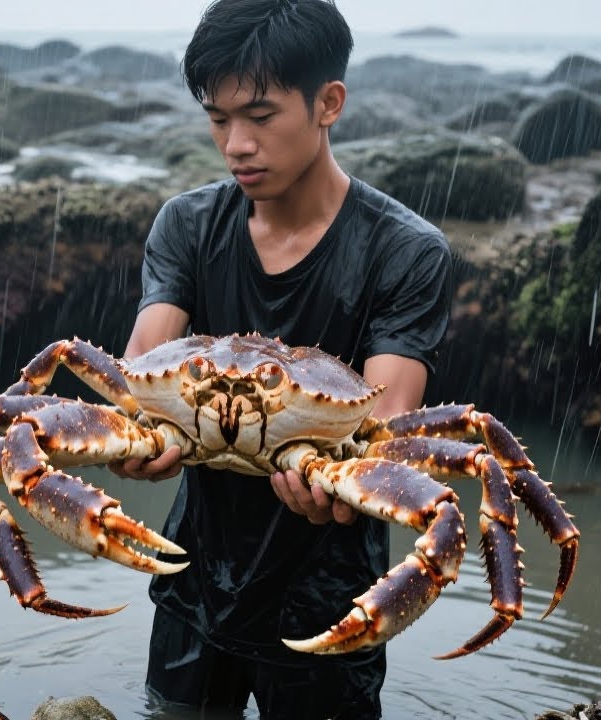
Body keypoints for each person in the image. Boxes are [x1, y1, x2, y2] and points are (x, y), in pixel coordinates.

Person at [108, 0, 454, 718]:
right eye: (217, 118)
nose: (235, 143)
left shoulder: (405, 251)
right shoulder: (188, 225)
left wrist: (346, 478)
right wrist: (126, 430)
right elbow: (143, 357)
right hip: (191, 575)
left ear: (329, 103)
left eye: (260, 116)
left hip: (334, 603)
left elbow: (387, 418)